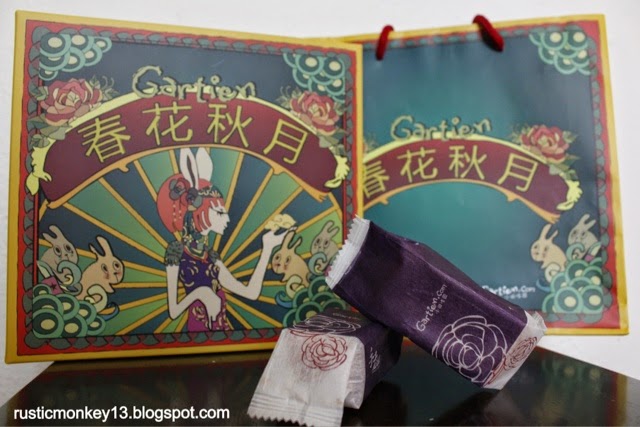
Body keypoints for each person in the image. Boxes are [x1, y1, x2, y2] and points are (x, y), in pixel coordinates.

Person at [157, 148, 287, 331]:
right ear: (199, 212)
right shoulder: (176, 252)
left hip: (221, 332)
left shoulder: (211, 257)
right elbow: (174, 311)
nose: (226, 219)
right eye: (219, 212)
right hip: (197, 334)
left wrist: (267, 248)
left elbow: (250, 292)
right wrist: (201, 293)